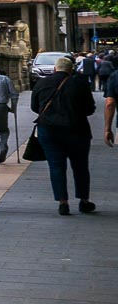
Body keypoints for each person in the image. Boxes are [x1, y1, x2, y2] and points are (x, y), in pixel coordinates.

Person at [31, 52, 96, 215]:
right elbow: (90, 109)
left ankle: (62, 202)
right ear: (71, 70)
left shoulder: (42, 84)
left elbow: (34, 107)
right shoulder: (80, 83)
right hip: (77, 130)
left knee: (56, 166)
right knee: (80, 166)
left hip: (49, 130)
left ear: (54, 69)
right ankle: (84, 200)